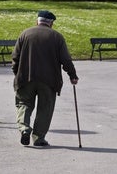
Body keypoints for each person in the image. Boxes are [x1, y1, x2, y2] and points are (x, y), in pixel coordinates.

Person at [12, 10, 79, 146]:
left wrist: (17, 73)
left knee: (24, 104)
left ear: (37, 21)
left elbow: (15, 57)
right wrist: (72, 75)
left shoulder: (25, 34)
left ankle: (24, 129)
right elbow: (65, 59)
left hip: (25, 78)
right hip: (49, 81)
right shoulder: (57, 37)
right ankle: (38, 138)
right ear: (51, 23)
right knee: (45, 109)